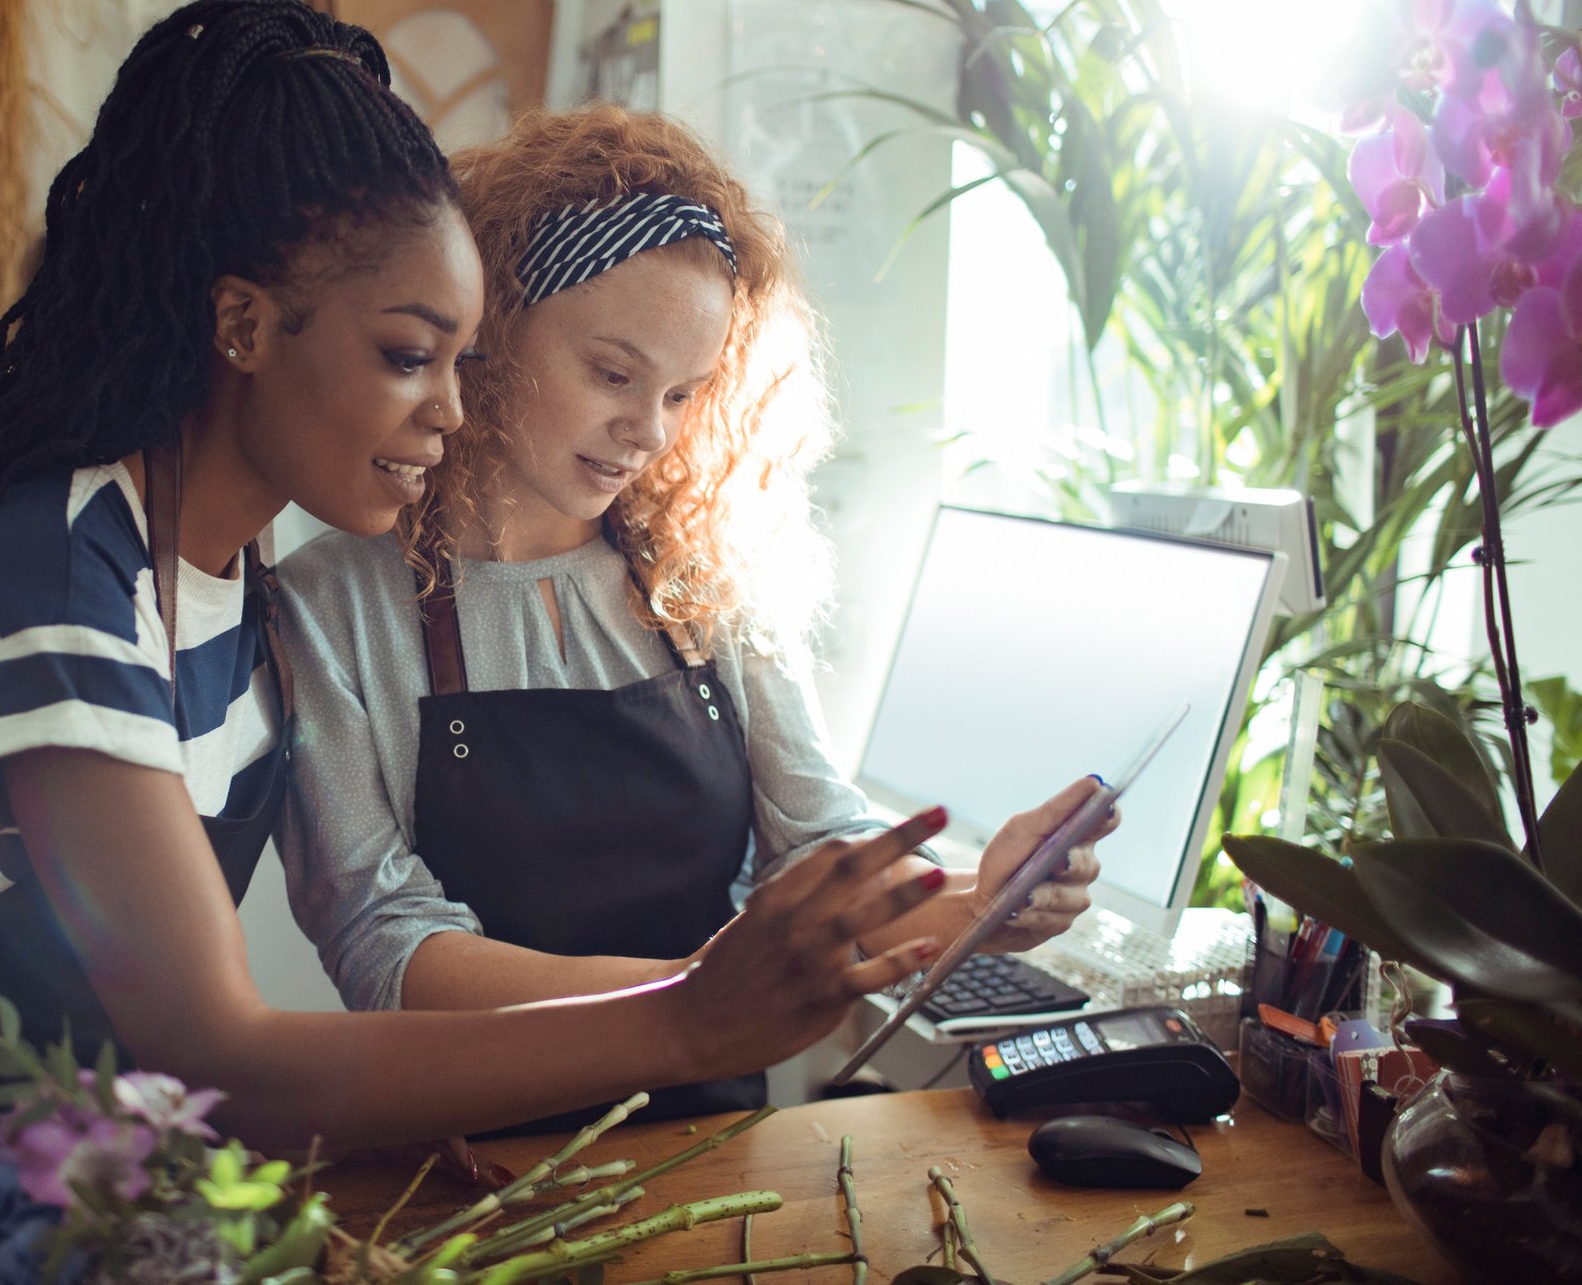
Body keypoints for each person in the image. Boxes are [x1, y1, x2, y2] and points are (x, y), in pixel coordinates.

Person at [0, 0, 949, 1219]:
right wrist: (691, 1018)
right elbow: (229, 1056)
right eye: (406, 354)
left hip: (52, 1192)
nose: (451, 408)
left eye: (458, 358)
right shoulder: (49, 572)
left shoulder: (227, 582)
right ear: (243, 323)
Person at [276, 106, 1116, 1131]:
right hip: (466, 1170)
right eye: (613, 373)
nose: (649, 430)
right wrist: (688, 1000)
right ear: (490, 329)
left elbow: (819, 851)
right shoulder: (330, 600)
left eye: (684, 392)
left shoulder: (704, 576)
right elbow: (386, 944)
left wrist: (985, 900)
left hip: (717, 1155)